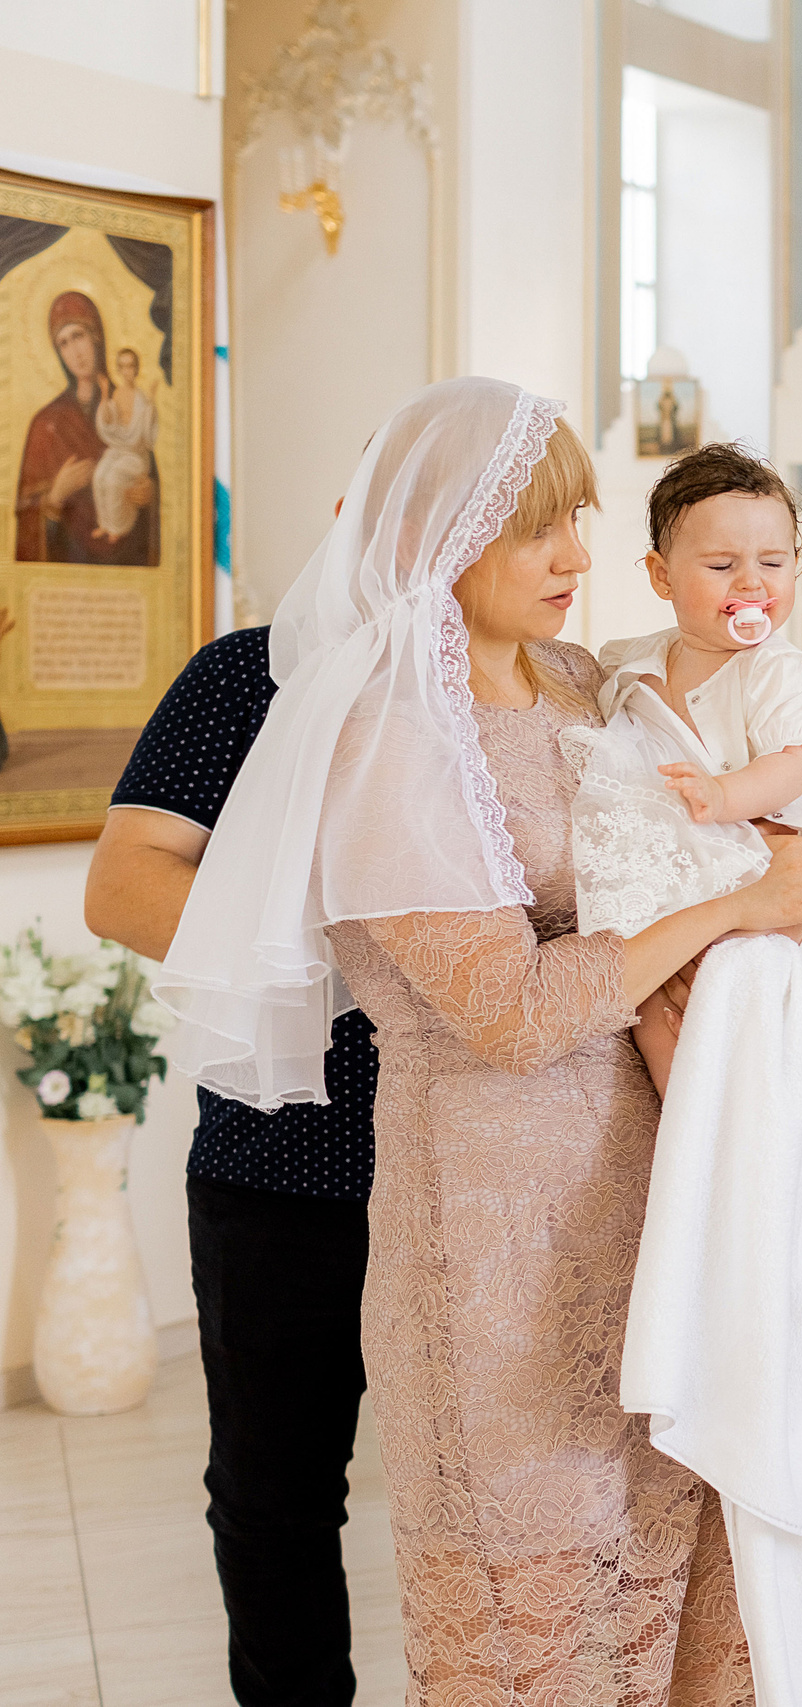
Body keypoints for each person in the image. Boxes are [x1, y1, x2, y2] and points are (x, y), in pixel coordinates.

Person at [152, 376, 802, 1702]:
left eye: (581, 519)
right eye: (537, 526)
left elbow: (713, 825)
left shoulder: (591, 687)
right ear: (441, 532)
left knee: (675, 1531)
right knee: (537, 1580)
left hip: (657, 1171)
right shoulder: (383, 740)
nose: (578, 558)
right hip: (493, 1210)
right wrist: (739, 902)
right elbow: (511, 1010)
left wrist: (793, 884)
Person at [86, 621, 381, 1706]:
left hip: (497, 1173)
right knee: (274, 1497)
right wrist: (380, 960)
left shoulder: (548, 688)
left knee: (519, 1491)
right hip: (285, 1167)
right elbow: (121, 889)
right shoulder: (251, 675)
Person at [563, 440, 802, 1088]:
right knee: (657, 1013)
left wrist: (723, 796)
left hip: (765, 841)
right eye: (722, 564)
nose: (752, 582)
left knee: (734, 991)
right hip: (687, 862)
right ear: (662, 576)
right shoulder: (634, 662)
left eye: (773, 562)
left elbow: (792, 765)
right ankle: (681, 1124)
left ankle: (736, 1107)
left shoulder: (776, 670)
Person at [15, 290, 155, 564]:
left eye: (79, 336)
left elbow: (148, 466)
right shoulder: (45, 423)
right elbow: (22, 519)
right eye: (64, 343)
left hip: (123, 564)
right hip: (65, 567)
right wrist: (54, 498)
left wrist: (148, 493)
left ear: (96, 336)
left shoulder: (129, 401)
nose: (75, 352)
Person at [92, 346, 158, 546]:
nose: (126, 371)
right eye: (122, 367)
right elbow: (107, 422)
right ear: (118, 370)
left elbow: (147, 437)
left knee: (113, 480)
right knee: (99, 475)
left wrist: (151, 403)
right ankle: (105, 523)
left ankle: (118, 528)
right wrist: (104, 393)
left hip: (135, 456)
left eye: (130, 366)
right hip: (118, 450)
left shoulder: (142, 398)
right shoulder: (118, 394)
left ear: (136, 369)